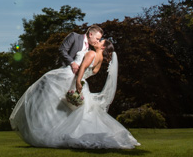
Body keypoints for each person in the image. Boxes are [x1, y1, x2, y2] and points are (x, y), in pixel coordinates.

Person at [10, 38, 140, 149]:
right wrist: (82, 82)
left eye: (101, 41)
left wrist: (78, 82)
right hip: (84, 85)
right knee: (80, 113)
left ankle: (52, 132)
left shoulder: (92, 53)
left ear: (103, 46)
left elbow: (82, 68)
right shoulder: (100, 61)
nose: (97, 41)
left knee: (58, 98)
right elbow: (91, 73)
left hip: (77, 81)